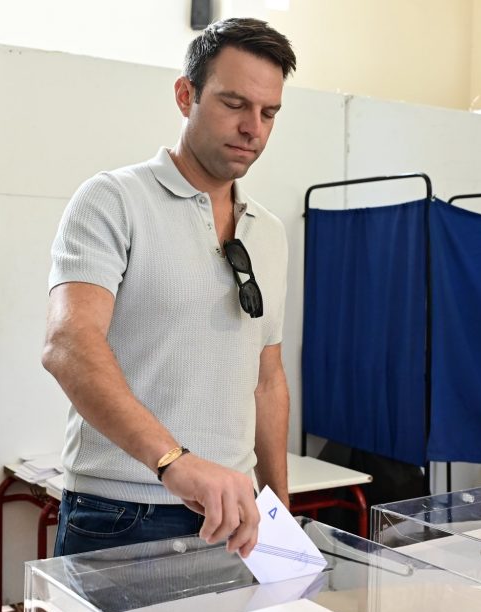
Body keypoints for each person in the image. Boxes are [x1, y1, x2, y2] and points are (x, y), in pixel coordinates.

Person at [42, 17, 296, 559]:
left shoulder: (269, 232)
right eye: (234, 104)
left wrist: (278, 508)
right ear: (186, 95)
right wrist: (173, 462)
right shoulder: (113, 200)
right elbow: (69, 344)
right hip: (122, 510)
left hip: (237, 515)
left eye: (268, 112)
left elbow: (267, 380)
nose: (252, 128)